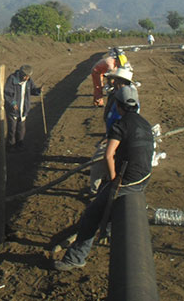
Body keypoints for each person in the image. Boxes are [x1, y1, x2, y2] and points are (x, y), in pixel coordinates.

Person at [55, 86, 153, 271]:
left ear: (118, 105)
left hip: (128, 180)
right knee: (105, 194)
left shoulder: (120, 125)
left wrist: (114, 179)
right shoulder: (144, 123)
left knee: (91, 215)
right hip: (144, 177)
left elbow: (108, 155)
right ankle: (108, 231)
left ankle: (75, 258)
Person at [88, 67, 137, 195]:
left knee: (98, 162)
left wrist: (111, 136)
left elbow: (126, 120)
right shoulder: (115, 94)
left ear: (121, 81)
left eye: (113, 79)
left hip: (117, 135)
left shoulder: (126, 98)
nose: (111, 81)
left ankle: (95, 190)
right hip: (112, 133)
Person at [3, 64, 42, 151]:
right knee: (12, 129)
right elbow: (7, 93)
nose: (26, 78)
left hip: (23, 109)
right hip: (13, 110)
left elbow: (33, 90)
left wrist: (38, 91)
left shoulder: (28, 81)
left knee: (21, 128)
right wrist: (13, 103)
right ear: (21, 74)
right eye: (25, 76)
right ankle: (10, 146)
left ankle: (19, 145)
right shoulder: (12, 79)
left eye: (28, 76)